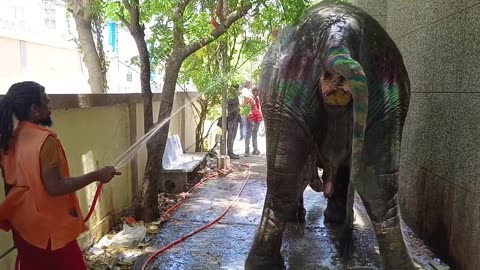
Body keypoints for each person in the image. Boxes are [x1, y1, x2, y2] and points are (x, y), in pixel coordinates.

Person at [0, 81, 121, 270]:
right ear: (34, 109)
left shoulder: (9, 139)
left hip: (22, 228)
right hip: (49, 232)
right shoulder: (45, 141)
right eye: (46, 103)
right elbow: (55, 186)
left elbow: (10, 186)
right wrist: (98, 174)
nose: (50, 107)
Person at [216, 84, 241, 159]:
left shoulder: (232, 95)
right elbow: (232, 108)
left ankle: (231, 152)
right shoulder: (232, 96)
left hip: (234, 119)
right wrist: (236, 112)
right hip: (232, 119)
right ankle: (230, 153)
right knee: (231, 136)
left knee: (232, 136)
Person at [244, 87, 262, 157]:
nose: (256, 93)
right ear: (254, 91)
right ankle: (246, 151)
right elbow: (246, 110)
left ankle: (255, 149)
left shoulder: (256, 98)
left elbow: (257, 109)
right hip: (251, 119)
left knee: (254, 135)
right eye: (256, 92)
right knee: (248, 135)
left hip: (256, 119)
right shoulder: (249, 98)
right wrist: (249, 119)